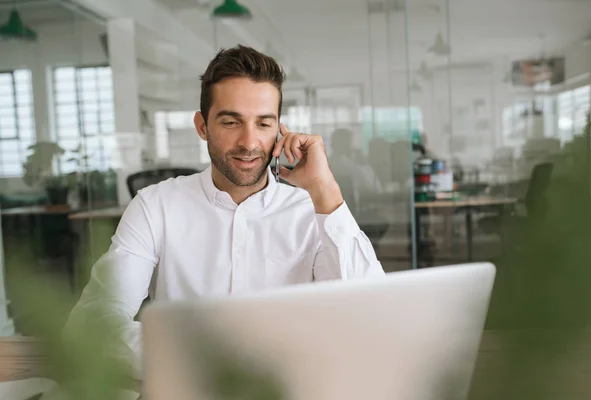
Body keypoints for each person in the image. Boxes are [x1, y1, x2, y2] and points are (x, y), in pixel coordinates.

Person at [64, 45, 385, 379]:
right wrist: (197, 362)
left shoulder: (311, 211)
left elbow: (372, 316)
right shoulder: (155, 206)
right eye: (231, 122)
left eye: (263, 124)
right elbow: (93, 321)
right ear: (202, 126)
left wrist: (325, 189)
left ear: (279, 130)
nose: (249, 142)